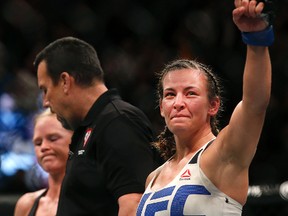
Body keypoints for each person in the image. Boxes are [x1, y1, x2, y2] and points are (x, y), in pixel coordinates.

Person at [136, 0, 273, 215]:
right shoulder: (153, 178)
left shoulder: (223, 154)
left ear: (213, 105)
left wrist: (256, 40)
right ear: (162, 107)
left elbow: (255, 104)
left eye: (190, 93)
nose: (179, 103)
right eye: (170, 95)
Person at [33, 36, 163, 215]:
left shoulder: (118, 122)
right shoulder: (91, 127)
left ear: (65, 81)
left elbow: (135, 204)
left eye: (45, 90)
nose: (46, 102)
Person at [14, 109, 73, 216]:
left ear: (75, 140)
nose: (43, 147)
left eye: (53, 138)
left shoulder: (93, 201)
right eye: (38, 143)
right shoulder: (26, 204)